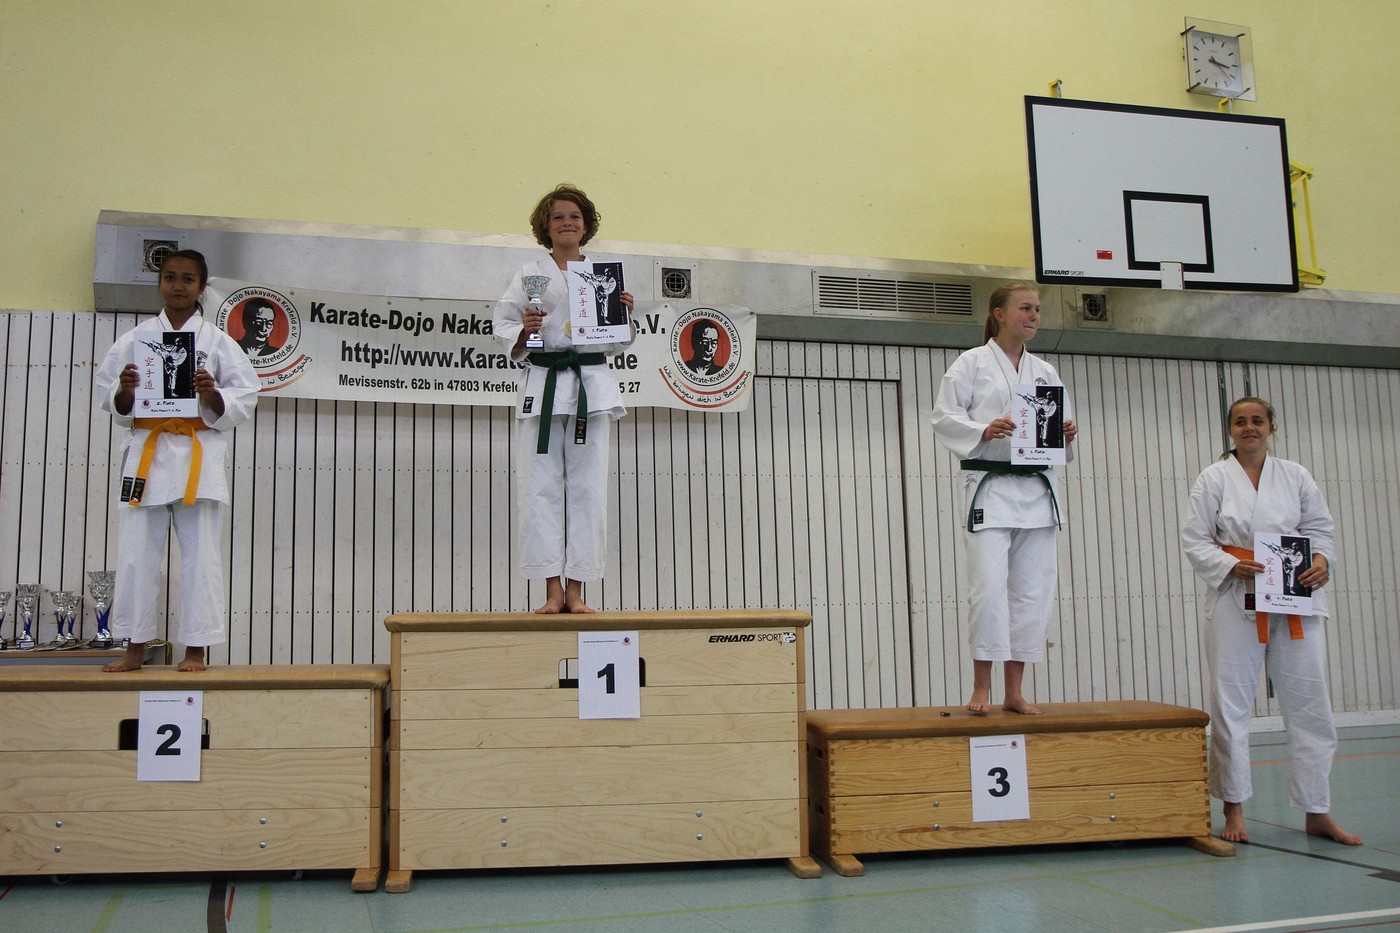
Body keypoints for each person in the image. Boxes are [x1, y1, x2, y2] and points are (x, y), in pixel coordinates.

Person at [1180, 396, 1361, 845]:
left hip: (1295, 597)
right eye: (1240, 421)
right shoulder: (1214, 478)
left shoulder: (1295, 475)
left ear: (1271, 427)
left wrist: (1321, 561)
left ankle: (1317, 810)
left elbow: (1320, 529)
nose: (1250, 428)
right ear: (1230, 430)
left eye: (1257, 420)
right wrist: (1229, 564)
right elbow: (1195, 539)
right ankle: (1234, 808)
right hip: (1236, 596)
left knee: (1311, 704)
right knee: (1231, 704)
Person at [94, 249, 260, 671]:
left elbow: (245, 396)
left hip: (197, 452)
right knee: (136, 553)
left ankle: (196, 648)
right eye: (170, 277)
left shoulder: (218, 341)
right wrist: (126, 390)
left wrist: (212, 394)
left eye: (188, 279)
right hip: (146, 452)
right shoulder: (134, 340)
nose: (178, 285)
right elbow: (112, 400)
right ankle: (134, 646)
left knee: (201, 554)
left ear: (201, 287)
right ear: (160, 283)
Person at [930, 282, 1077, 714]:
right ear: (999, 314)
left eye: (1037, 309)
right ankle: (981, 687)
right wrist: (983, 429)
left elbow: (1059, 433)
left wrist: (1067, 433)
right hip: (990, 488)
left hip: (1036, 489)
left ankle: (1014, 691)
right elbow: (944, 416)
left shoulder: (1044, 371)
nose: (1034, 316)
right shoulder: (971, 363)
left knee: (1031, 593)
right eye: (1025, 308)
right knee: (989, 588)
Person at [492, 184, 635, 614]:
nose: (567, 222)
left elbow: (618, 342)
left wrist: (623, 314)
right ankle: (552, 590)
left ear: (586, 226)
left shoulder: (603, 276)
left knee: (589, 489)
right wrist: (526, 329)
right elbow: (504, 324)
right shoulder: (528, 275)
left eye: (574, 216)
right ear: (546, 227)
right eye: (558, 217)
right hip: (544, 383)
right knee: (540, 488)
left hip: (591, 386)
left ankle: (578, 589)